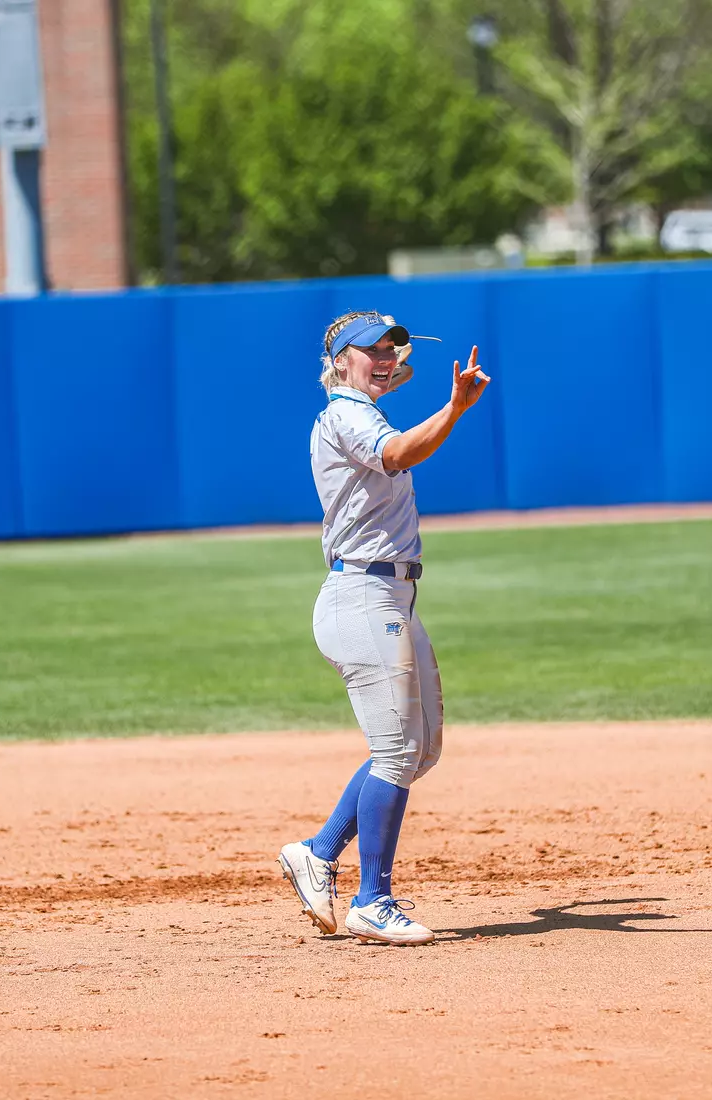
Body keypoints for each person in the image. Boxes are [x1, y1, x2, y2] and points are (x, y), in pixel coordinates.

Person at [278, 310, 490, 945]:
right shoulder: (347, 413)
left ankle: (317, 853)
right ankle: (373, 899)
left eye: (392, 348)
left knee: (418, 752)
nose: (386, 355)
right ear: (340, 358)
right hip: (362, 595)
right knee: (398, 752)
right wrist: (453, 408)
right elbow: (397, 453)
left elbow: (397, 438)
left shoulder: (364, 410)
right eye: (371, 348)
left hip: (391, 596)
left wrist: (447, 405)